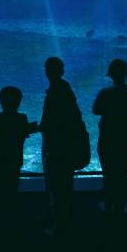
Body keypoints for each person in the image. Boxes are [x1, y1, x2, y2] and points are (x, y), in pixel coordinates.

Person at [39, 57, 87, 234]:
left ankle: (60, 227)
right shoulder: (65, 89)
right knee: (65, 185)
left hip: (56, 147)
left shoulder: (55, 92)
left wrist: (33, 127)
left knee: (57, 185)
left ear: (48, 71)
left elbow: (49, 122)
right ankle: (66, 222)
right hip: (65, 145)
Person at [92, 59, 127, 218]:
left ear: (110, 75)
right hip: (125, 139)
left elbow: (95, 110)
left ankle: (109, 205)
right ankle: (122, 205)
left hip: (107, 139)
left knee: (109, 172)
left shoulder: (105, 93)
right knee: (123, 172)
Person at [0, 86, 38, 224]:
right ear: (18, 102)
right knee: (12, 187)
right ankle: (11, 217)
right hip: (14, 159)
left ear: (1, 101)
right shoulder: (22, 118)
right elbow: (23, 131)